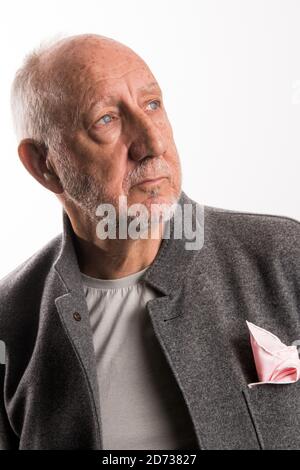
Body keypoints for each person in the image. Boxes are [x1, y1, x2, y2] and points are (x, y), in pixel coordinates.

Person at [0, 34, 300, 450]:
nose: (153, 143)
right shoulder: (10, 320)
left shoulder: (286, 256)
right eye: (106, 119)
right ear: (44, 165)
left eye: (152, 104)